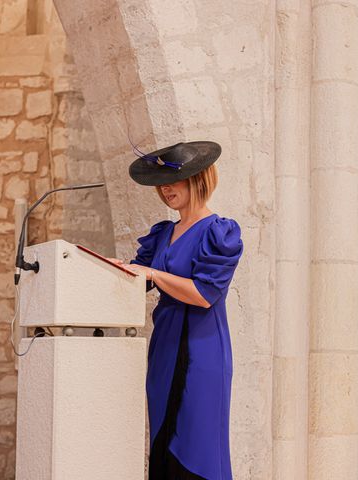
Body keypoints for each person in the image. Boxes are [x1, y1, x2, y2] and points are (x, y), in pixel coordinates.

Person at [109, 141, 243, 479]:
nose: (166, 189)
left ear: (198, 179)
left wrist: (153, 273)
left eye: (174, 180)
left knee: (199, 446)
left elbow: (204, 293)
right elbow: (138, 280)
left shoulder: (219, 232)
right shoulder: (163, 233)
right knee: (164, 438)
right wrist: (110, 268)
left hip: (203, 350)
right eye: (162, 183)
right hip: (165, 348)